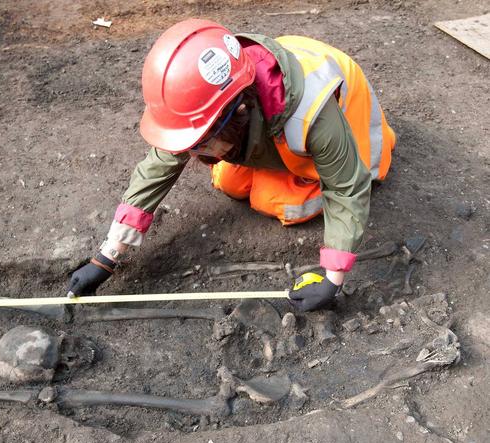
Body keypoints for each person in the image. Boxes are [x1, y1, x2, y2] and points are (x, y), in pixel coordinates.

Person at [67, 19, 396, 312]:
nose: (189, 155)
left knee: (272, 200)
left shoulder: (312, 115)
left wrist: (333, 277)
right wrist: (107, 256)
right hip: (271, 113)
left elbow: (346, 186)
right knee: (229, 181)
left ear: (235, 115)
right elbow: (159, 165)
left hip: (349, 123)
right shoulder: (207, 99)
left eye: (197, 144)